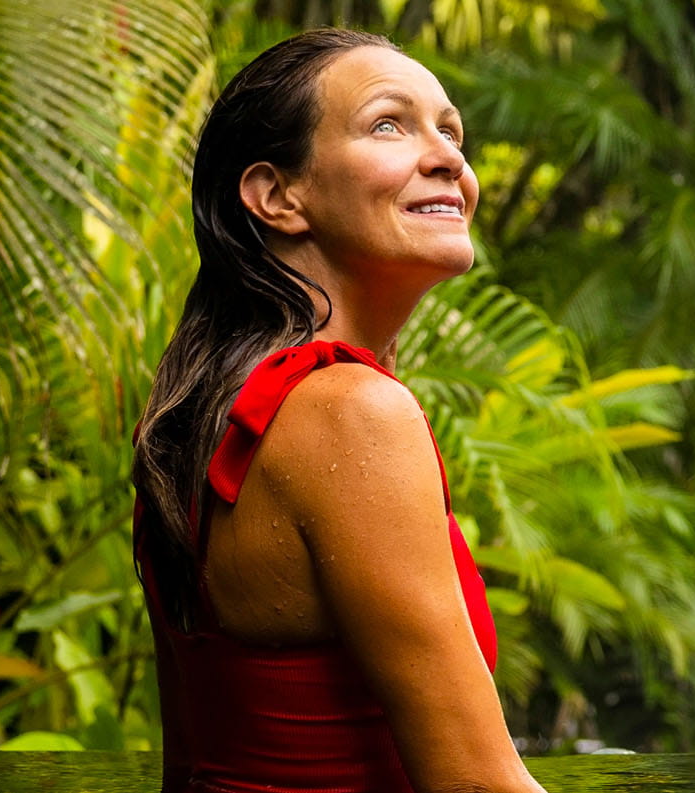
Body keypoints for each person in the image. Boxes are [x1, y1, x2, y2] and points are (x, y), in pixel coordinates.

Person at [132, 28, 547, 793]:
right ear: (276, 196)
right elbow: (477, 783)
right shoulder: (350, 413)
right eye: (389, 123)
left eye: (451, 131)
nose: (449, 158)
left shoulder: (204, 410)